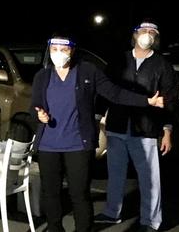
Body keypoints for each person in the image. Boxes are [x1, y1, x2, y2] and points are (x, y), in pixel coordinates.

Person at [31, 35, 164, 232]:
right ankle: (54, 228)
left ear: (73, 50)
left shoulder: (87, 71)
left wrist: (147, 101)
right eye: (54, 48)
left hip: (78, 144)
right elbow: (34, 106)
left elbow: (115, 93)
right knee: (51, 193)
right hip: (47, 145)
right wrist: (39, 114)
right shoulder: (42, 76)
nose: (58, 53)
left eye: (63, 49)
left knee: (79, 193)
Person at [94, 21, 178, 232]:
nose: (147, 35)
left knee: (150, 179)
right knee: (115, 174)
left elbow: (170, 100)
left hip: (146, 130)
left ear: (156, 38)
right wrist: (99, 117)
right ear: (134, 35)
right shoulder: (119, 60)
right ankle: (112, 213)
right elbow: (107, 91)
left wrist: (167, 130)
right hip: (117, 126)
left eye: (152, 32)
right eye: (143, 31)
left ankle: (150, 221)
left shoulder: (162, 65)